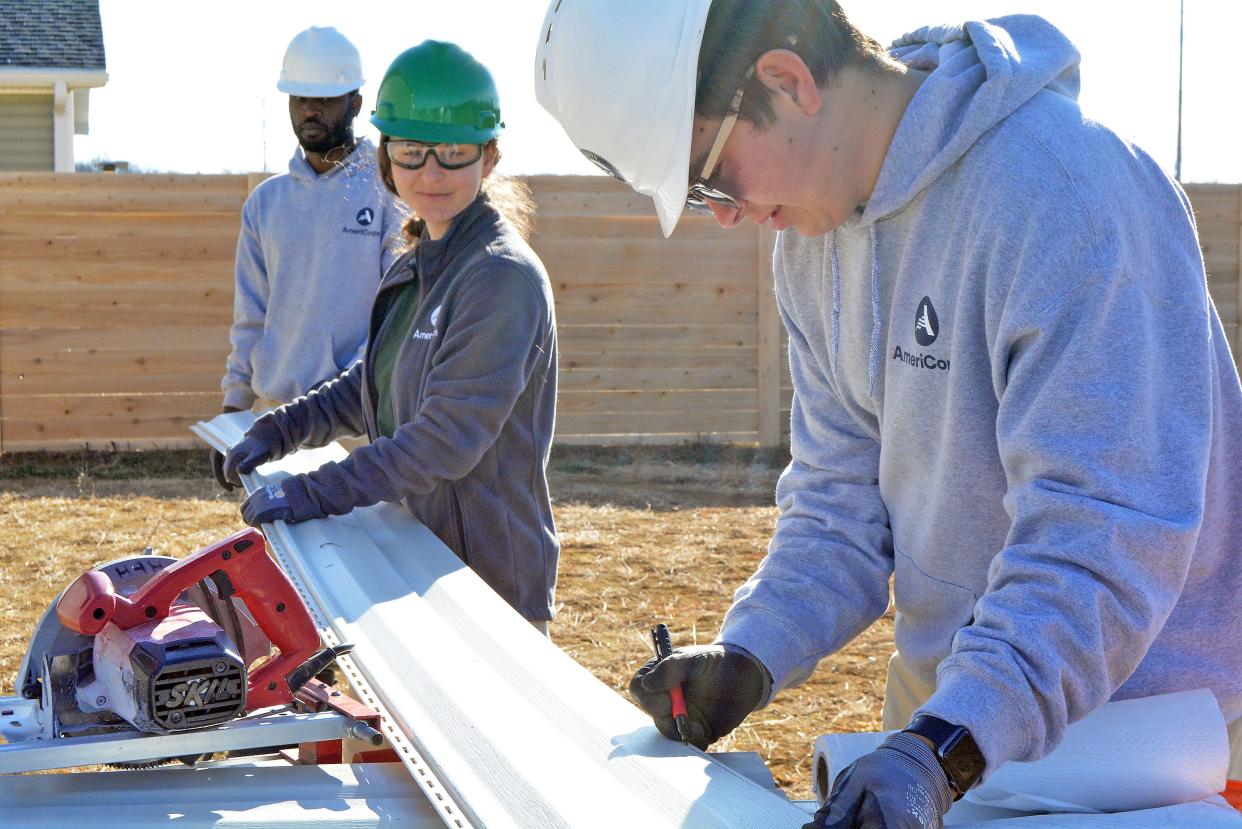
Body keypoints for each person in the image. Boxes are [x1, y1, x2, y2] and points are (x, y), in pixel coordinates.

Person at [535, 1, 1242, 826]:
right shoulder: (811, 246)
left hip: (1157, 740)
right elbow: (840, 506)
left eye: (711, 178)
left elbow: (1102, 542)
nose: (723, 214)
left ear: (786, 80)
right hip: (961, 715)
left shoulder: (1070, 196)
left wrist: (944, 745)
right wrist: (752, 651)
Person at [218, 41, 560, 633]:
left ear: (489, 156)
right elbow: (372, 383)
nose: (431, 173)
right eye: (411, 151)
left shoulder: (499, 277)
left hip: (488, 583)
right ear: (387, 159)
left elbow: (443, 441)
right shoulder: (419, 259)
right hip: (420, 556)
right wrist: (282, 428)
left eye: (454, 153)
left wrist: (313, 492)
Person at [214, 25, 401, 488]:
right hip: (273, 426)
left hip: (356, 426)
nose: (310, 110)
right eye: (299, 98)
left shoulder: (391, 191)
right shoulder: (266, 203)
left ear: (355, 104)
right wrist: (232, 417)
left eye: (325, 99)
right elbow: (250, 319)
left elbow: (397, 318)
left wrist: (336, 403)